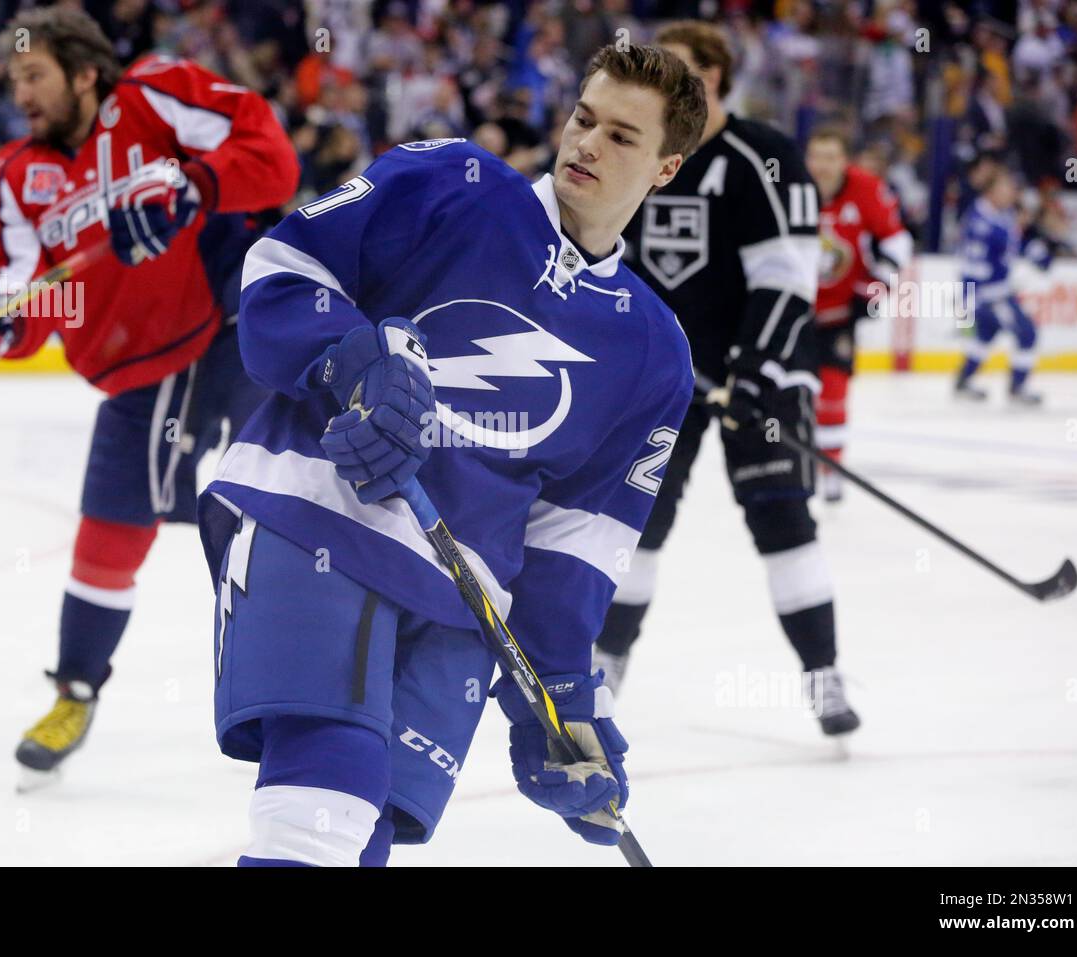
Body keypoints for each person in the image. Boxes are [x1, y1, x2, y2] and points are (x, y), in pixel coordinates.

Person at [199, 43, 705, 866]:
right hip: (321, 512)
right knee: (321, 803)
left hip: (461, 603)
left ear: (665, 168)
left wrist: (564, 703)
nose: (586, 145)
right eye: (583, 119)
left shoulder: (654, 352)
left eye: (621, 137)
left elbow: (573, 546)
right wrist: (350, 360)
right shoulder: (453, 183)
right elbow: (280, 270)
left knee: (367, 835)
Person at [0, 7, 299, 784]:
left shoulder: (154, 96)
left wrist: (195, 185)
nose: (18, 91)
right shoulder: (10, 183)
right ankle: (75, 690)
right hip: (136, 369)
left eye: (35, 75)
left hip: (228, 328)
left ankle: (300, 695)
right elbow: (31, 303)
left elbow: (269, 153)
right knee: (106, 534)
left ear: (85, 73)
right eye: (13, 77)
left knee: (266, 514)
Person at [593, 21, 859, 736]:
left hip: (758, 372)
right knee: (638, 522)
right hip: (662, 378)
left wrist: (754, 371)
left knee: (782, 517)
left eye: (683, 72)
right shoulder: (646, 150)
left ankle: (823, 673)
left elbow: (787, 277)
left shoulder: (765, 157)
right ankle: (605, 663)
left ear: (718, 78)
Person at [805, 126, 913, 502]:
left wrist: (876, 285)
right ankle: (797, 468)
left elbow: (898, 240)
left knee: (833, 391)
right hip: (793, 310)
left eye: (831, 157)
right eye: (817, 156)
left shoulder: (867, 189)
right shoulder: (793, 187)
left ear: (844, 160)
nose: (823, 166)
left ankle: (831, 470)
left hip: (839, 313)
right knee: (792, 393)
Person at [954, 168, 1053, 405]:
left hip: (993, 292)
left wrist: (1036, 252)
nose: (1010, 193)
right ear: (990, 191)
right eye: (1004, 188)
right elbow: (977, 262)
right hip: (990, 295)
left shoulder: (1000, 214)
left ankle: (963, 380)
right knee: (1026, 332)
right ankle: (1017, 387)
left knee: (986, 334)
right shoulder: (982, 222)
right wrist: (972, 297)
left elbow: (1011, 246)